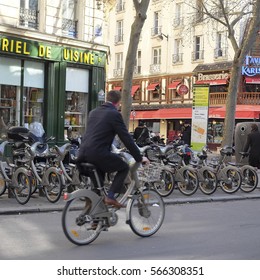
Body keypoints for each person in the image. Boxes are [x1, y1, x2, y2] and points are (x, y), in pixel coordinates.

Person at [77, 90, 149, 208]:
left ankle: (95, 219)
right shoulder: (114, 114)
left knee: (97, 188)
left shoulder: (93, 112)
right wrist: (139, 157)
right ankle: (111, 196)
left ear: (107, 99)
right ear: (118, 103)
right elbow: (126, 138)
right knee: (124, 167)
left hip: (83, 154)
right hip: (98, 154)